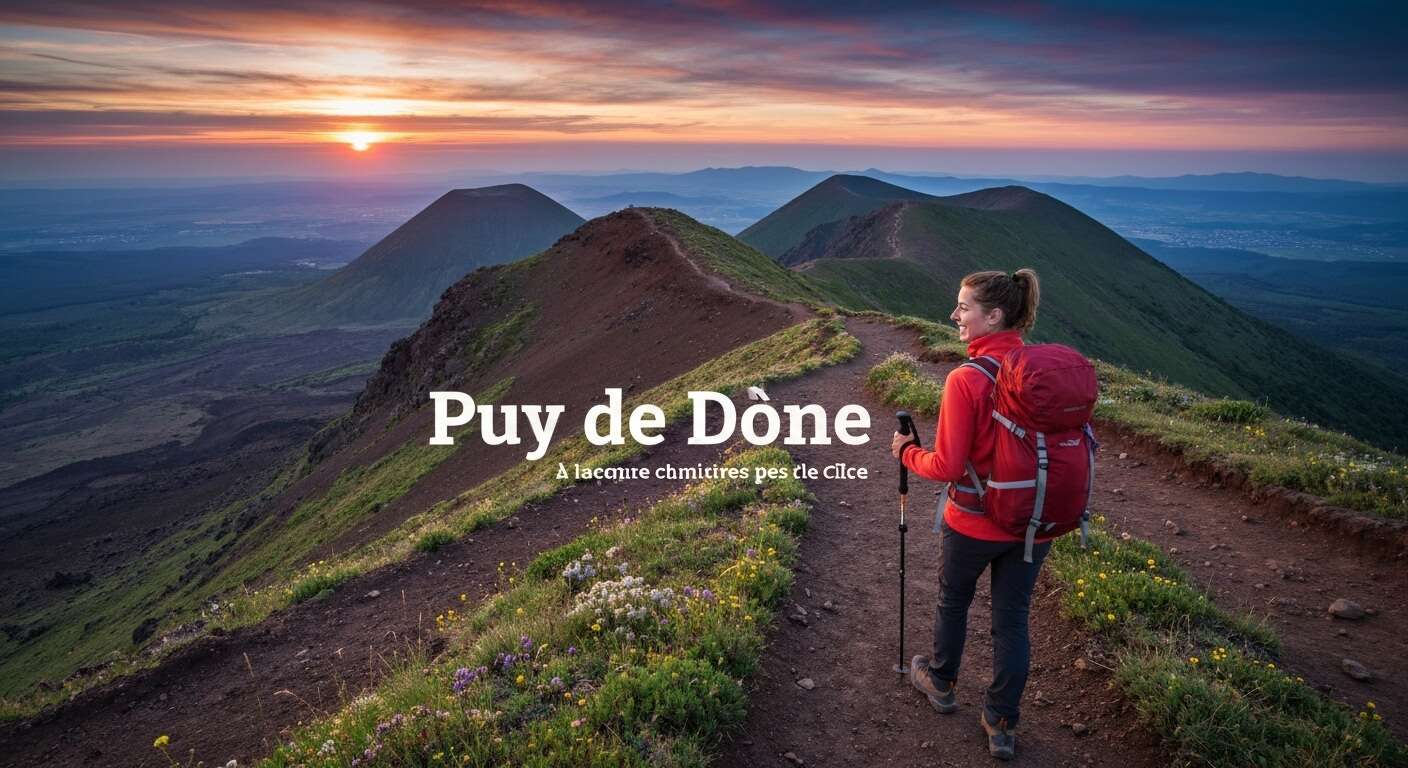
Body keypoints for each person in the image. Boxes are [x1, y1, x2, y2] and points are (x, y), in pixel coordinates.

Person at [888, 267, 1049, 762]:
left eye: (964, 307)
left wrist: (905, 454)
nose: (954, 315)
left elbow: (948, 466)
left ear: (994, 315)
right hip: (1033, 522)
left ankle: (940, 682)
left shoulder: (967, 379)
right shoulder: (1042, 370)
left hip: (975, 521)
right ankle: (1001, 723)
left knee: (953, 601)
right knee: (1012, 620)